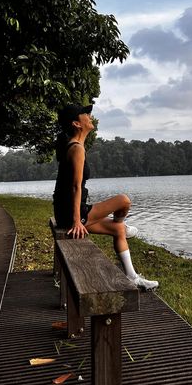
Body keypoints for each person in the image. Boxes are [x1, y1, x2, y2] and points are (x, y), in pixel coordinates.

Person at [53, 103, 159, 291]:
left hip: (67, 211)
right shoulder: (77, 148)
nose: (89, 116)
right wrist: (77, 221)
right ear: (77, 123)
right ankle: (123, 225)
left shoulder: (74, 146)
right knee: (123, 200)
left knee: (117, 230)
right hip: (71, 214)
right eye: (85, 114)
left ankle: (132, 277)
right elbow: (75, 187)